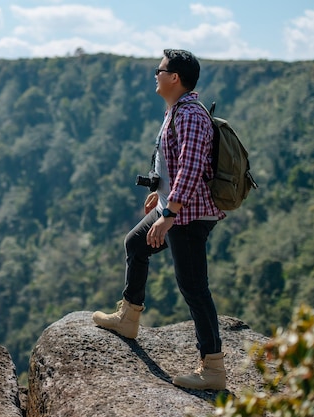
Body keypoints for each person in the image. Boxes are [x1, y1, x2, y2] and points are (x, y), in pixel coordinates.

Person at [92, 49, 227, 391]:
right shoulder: (176, 110)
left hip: (189, 214)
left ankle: (213, 367)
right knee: (135, 243)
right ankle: (128, 318)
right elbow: (173, 163)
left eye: (160, 69)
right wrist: (159, 190)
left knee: (193, 287)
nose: (155, 74)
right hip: (175, 205)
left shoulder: (191, 116)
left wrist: (168, 214)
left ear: (175, 78)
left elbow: (192, 168)